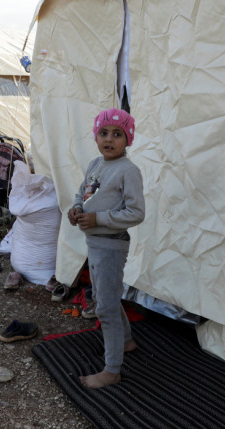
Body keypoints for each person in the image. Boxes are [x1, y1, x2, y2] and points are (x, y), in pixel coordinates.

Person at [67, 107, 145, 389]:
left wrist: (99, 218)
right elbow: (83, 193)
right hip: (96, 244)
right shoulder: (94, 165)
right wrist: (76, 209)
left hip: (111, 246)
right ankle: (126, 342)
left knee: (105, 306)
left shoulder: (128, 171)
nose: (109, 139)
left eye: (117, 134)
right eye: (104, 133)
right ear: (96, 136)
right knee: (105, 295)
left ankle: (112, 371)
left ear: (128, 140)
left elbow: (136, 213)